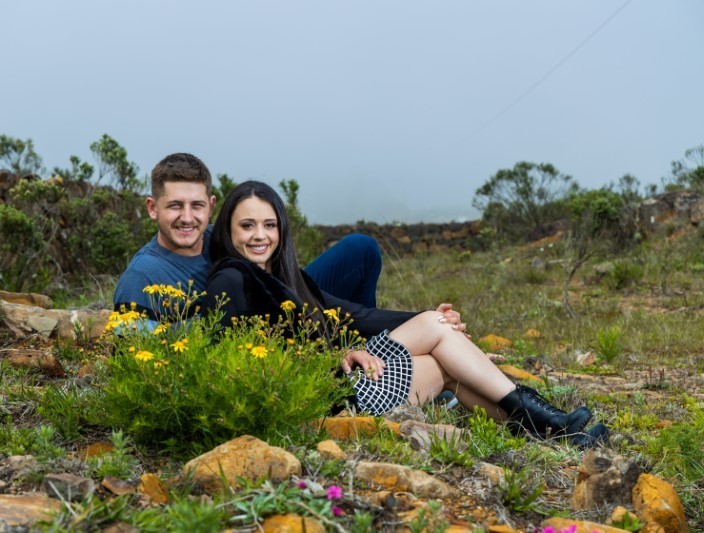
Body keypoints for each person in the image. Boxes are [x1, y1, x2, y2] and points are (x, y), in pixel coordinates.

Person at [199, 180, 609, 448]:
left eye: (269, 225)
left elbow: (356, 314)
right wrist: (332, 357)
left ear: (281, 230)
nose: (260, 235)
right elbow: (234, 359)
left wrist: (429, 316)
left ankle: (551, 430)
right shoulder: (231, 279)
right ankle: (550, 421)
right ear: (228, 231)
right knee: (441, 350)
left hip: (338, 385)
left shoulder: (288, 278)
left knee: (442, 353)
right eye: (247, 226)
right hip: (321, 400)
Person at [112, 153, 458, 325]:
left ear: (212, 206)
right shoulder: (142, 278)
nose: (187, 218)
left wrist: (423, 318)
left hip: (279, 309)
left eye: (197, 206)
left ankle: (378, 344)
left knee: (360, 250)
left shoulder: (220, 239)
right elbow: (135, 351)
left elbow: (294, 288)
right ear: (152, 208)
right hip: (253, 343)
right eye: (175, 206)